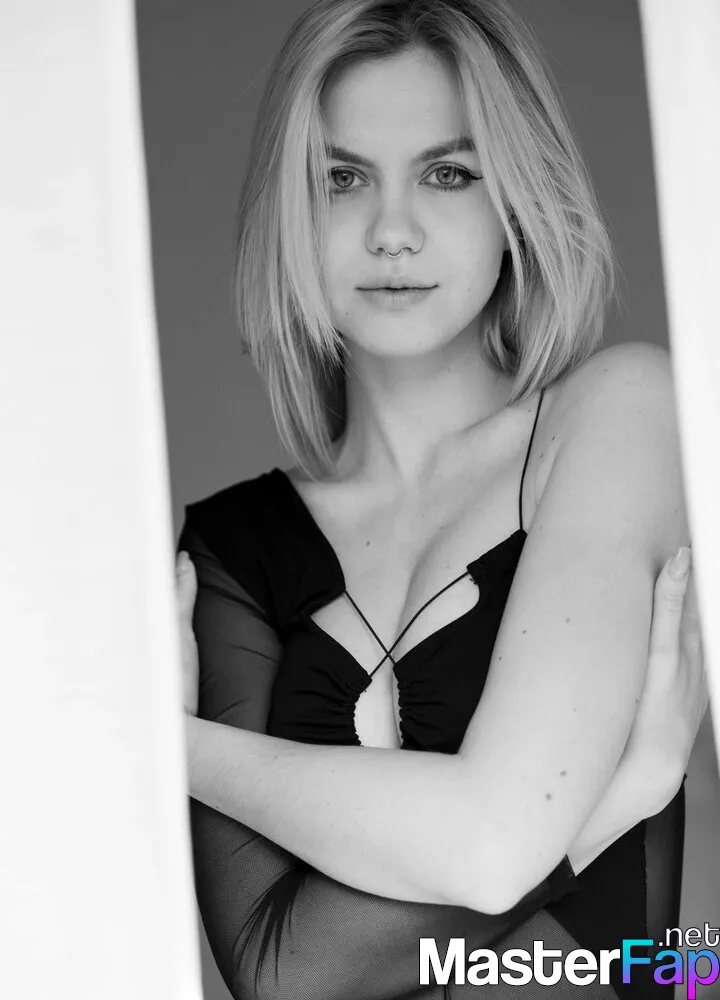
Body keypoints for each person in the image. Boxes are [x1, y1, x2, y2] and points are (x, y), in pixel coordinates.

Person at [174, 1, 708, 996]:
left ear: (517, 200)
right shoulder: (231, 549)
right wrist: (605, 809)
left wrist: (173, 748)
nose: (392, 232)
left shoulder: (617, 416)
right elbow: (284, 976)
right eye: (342, 179)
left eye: (448, 173)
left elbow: (496, 843)